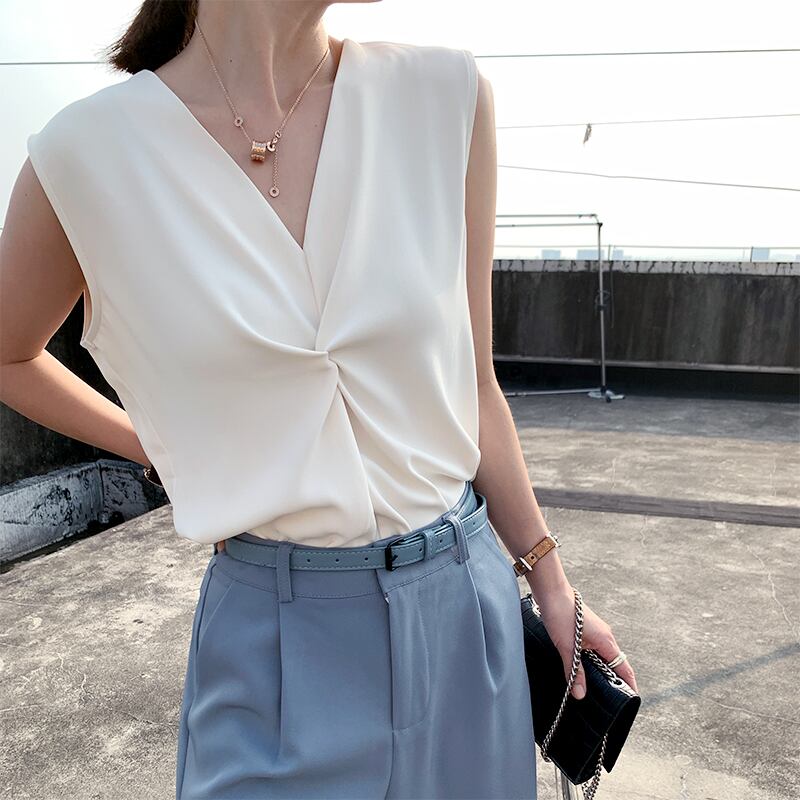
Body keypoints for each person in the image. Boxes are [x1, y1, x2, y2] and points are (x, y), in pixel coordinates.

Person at [0, 1, 637, 798]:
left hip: (466, 620)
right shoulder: (87, 156)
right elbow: (9, 353)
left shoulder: (446, 95)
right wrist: (159, 447)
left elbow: (474, 383)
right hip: (273, 643)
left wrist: (551, 582)